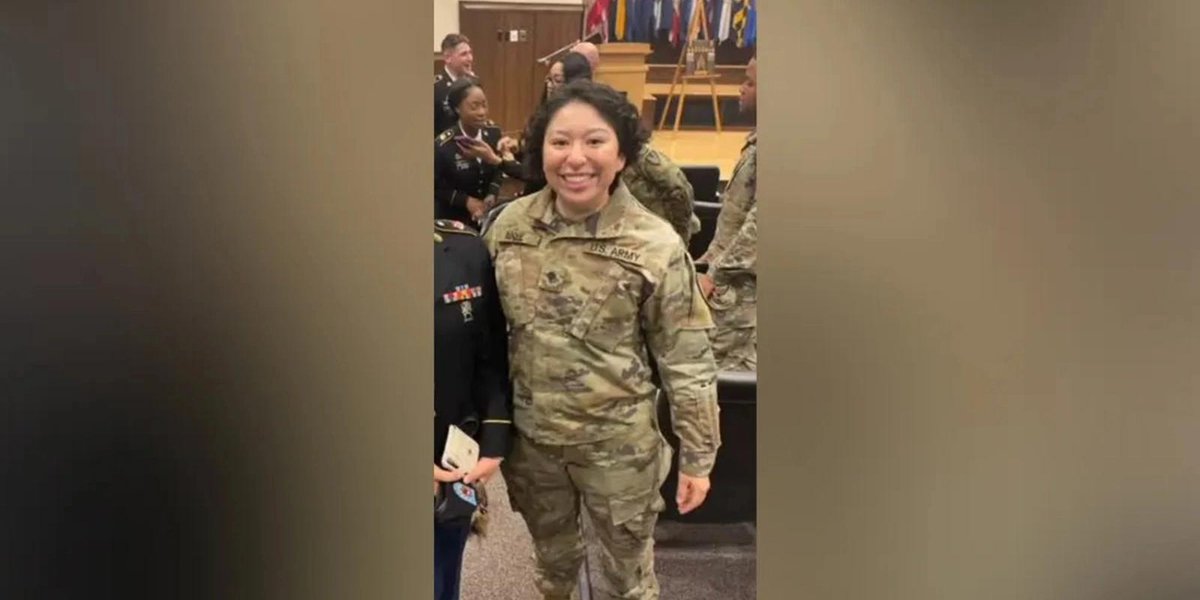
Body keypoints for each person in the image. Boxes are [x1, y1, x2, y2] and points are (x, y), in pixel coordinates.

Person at [482, 80, 721, 600]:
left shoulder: (653, 243)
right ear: (540, 148)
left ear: (623, 154)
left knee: (626, 581)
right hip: (533, 447)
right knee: (553, 569)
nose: (575, 159)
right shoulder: (508, 228)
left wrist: (699, 457)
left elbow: (689, 362)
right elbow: (479, 340)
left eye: (595, 142)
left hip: (618, 451)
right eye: (559, 141)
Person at [433, 218, 512, 600]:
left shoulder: (464, 248)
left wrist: (493, 442)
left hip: (448, 462)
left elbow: (491, 354)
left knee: (440, 580)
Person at [696, 57, 757, 371]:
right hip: (730, 286)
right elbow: (740, 212)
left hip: (743, 299)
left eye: (750, 83)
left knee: (728, 385)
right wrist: (713, 253)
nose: (741, 89)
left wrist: (715, 273)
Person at [435, 79, 520, 227]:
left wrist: (492, 193)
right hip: (453, 219)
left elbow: (499, 168)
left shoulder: (493, 133)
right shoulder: (443, 144)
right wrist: (466, 201)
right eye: (474, 107)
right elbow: (435, 186)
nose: (482, 112)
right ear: (457, 109)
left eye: (484, 105)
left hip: (487, 217)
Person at [435, 34, 475, 135]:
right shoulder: (436, 88)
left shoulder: (474, 82)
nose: (470, 58)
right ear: (448, 58)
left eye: (470, 53)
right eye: (464, 54)